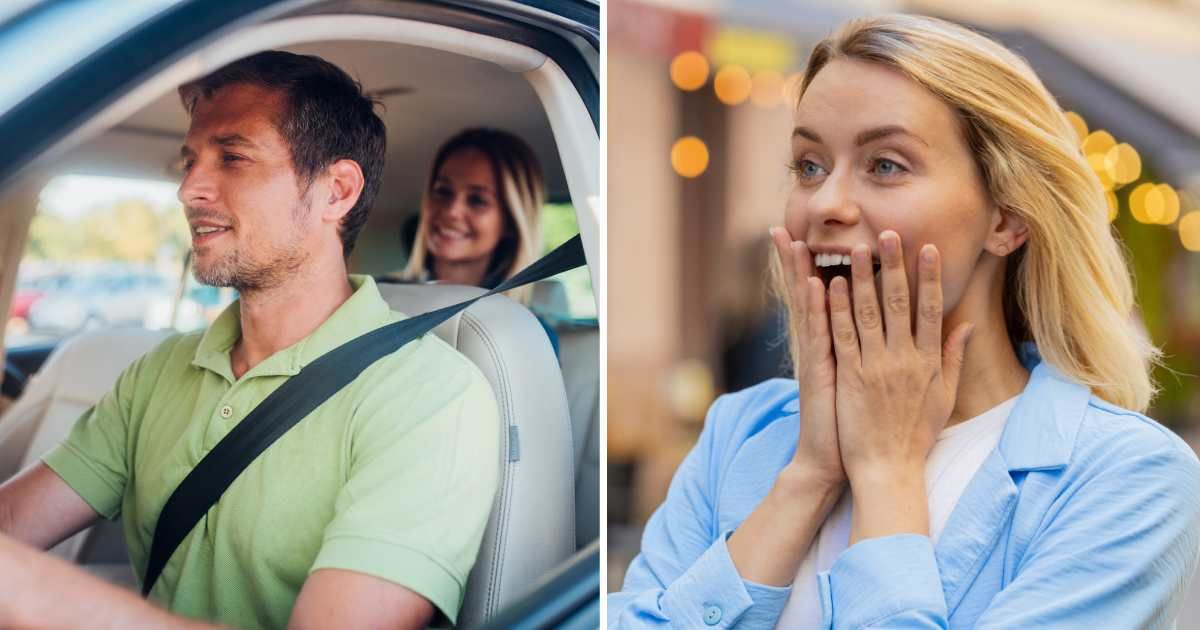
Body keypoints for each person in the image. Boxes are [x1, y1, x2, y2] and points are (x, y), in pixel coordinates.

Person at [609, 14, 1200, 629]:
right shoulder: (740, 433)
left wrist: (886, 473)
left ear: (1005, 219)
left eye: (886, 164)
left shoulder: (1128, 479)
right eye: (809, 165)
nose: (827, 204)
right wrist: (809, 476)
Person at [0, 50, 500, 629]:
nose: (189, 189)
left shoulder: (432, 397)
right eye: (189, 161)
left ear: (336, 191)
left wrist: (35, 594)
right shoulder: (160, 370)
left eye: (233, 157)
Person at [392, 127, 558, 353]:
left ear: (510, 222)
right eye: (443, 191)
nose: (452, 211)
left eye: (477, 200)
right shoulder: (380, 296)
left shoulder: (529, 333)